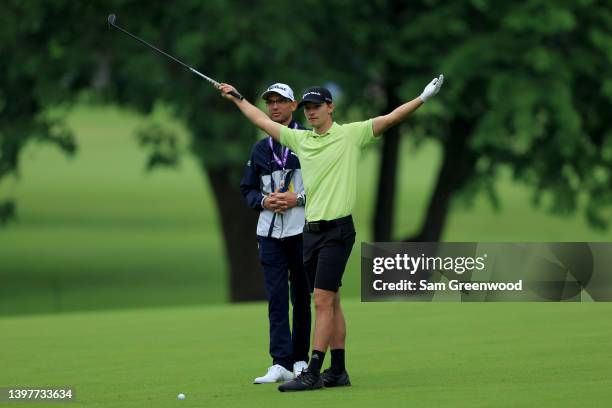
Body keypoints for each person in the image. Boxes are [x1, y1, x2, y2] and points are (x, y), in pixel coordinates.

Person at [221, 75, 444, 392]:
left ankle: (312, 371)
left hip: (337, 231)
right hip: (310, 233)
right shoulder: (301, 140)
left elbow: (391, 118)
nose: (311, 112)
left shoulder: (351, 135)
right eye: (308, 107)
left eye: (316, 106)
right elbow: (260, 120)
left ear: (330, 107)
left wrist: (422, 98)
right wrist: (237, 98)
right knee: (333, 301)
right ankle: (338, 370)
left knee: (321, 302)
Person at [239, 83, 311, 384]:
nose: (274, 107)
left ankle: (300, 360)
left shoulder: (308, 141)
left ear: (293, 106)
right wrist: (265, 201)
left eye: (281, 101)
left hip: (303, 232)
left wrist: (299, 199)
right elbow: (248, 189)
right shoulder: (260, 149)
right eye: (269, 102)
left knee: (302, 299)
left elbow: (325, 186)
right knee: (277, 299)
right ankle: (280, 362)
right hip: (269, 234)